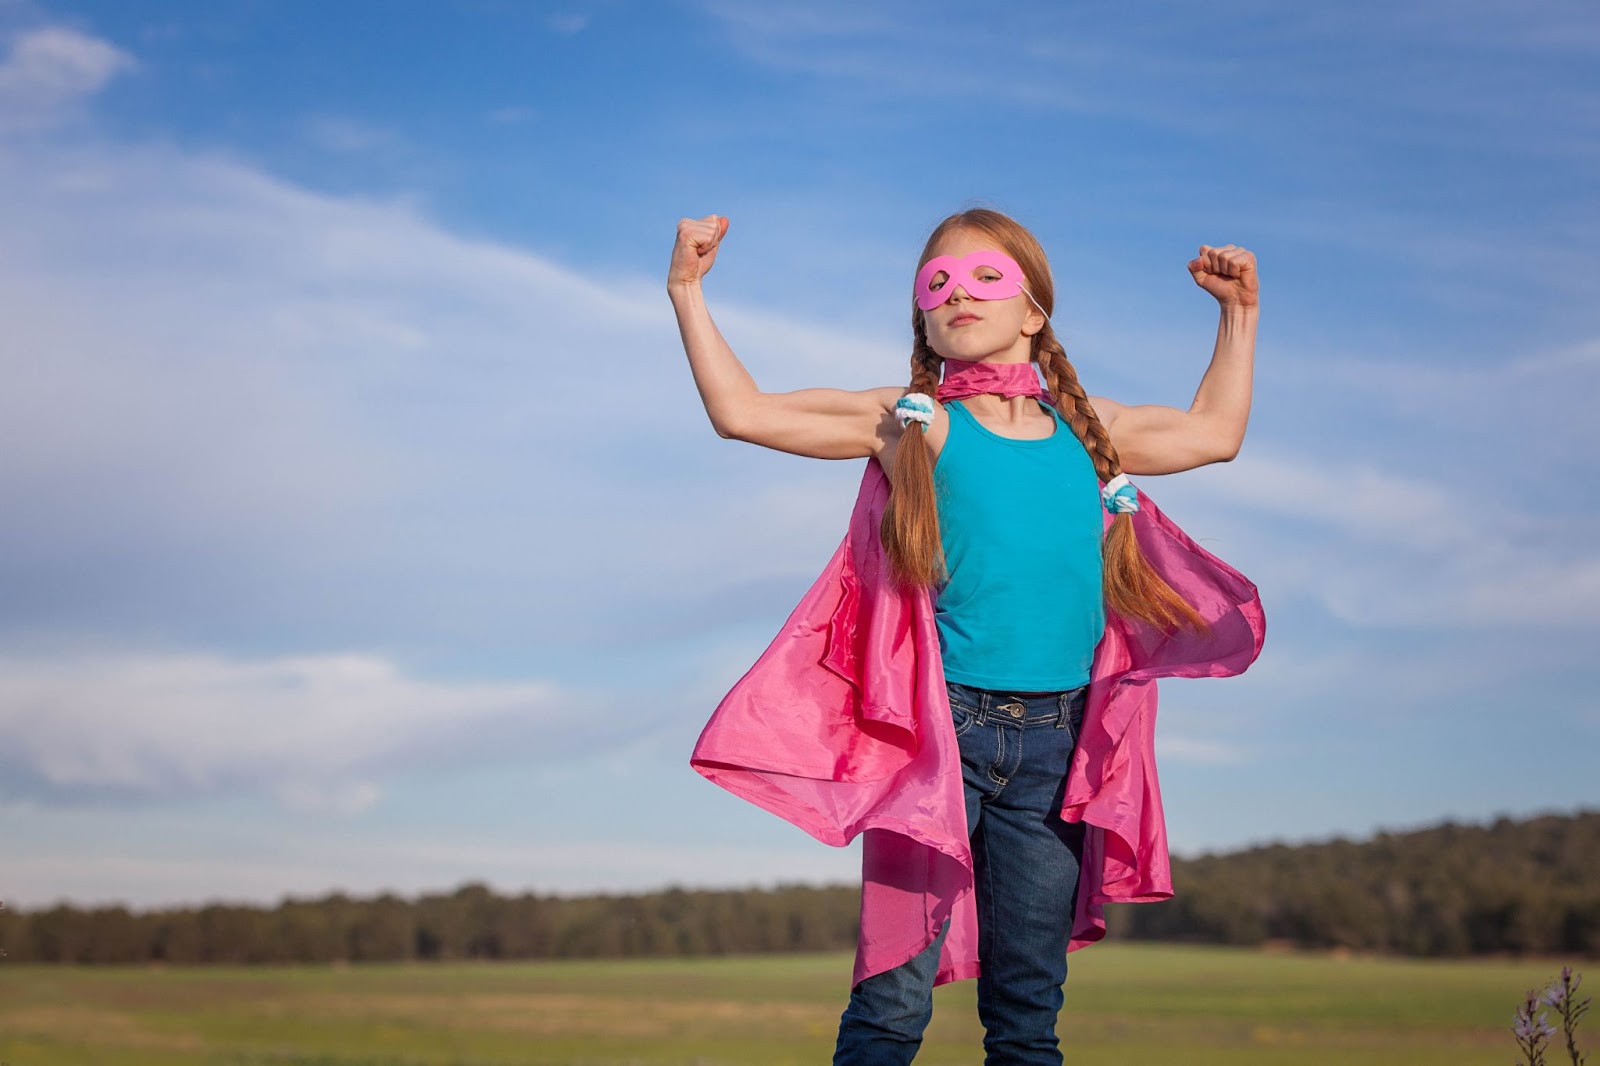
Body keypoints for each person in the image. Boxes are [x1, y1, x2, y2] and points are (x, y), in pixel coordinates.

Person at [668, 207, 1261, 1065]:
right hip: (938, 740)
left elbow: (1216, 433)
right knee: (892, 1003)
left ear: (1033, 312)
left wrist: (1237, 313)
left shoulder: (1088, 431)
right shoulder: (912, 420)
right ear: (923, 316)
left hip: (1059, 749)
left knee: (1027, 1017)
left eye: (986, 277)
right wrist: (687, 290)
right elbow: (744, 412)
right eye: (936, 284)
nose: (957, 294)